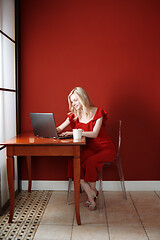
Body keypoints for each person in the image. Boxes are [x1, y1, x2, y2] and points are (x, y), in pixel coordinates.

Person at [57, 87, 116, 210]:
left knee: (90, 162)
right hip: (90, 150)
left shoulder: (98, 112)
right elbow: (59, 128)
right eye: (72, 102)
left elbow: (94, 134)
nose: (73, 104)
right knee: (73, 159)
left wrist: (75, 133)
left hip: (105, 149)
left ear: (83, 98)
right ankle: (90, 191)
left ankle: (92, 193)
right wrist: (45, 129)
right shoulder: (74, 115)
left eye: (75, 100)